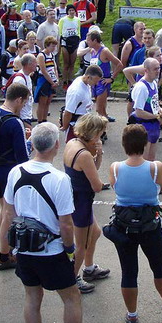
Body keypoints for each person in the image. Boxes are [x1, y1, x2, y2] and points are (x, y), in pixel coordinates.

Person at [2, 122, 83, 323]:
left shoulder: (15, 172)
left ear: (33, 144)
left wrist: (8, 247)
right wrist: (69, 249)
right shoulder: (60, 179)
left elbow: (8, 214)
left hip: (25, 247)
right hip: (52, 250)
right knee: (71, 296)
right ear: (56, 145)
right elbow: (66, 223)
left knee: (32, 297)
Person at [107, 124, 162, 323]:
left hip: (124, 227)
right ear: (144, 144)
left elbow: (115, 187)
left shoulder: (115, 168)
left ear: (124, 144)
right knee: (160, 267)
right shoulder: (155, 167)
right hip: (150, 226)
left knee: (128, 271)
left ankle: (132, 315)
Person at [0, 83, 31, 271]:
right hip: (9, 172)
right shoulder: (14, 122)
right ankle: (4, 254)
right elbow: (22, 157)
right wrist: (29, 142)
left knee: (4, 210)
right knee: (10, 214)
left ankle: (7, 249)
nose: (24, 106)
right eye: (24, 102)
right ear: (18, 99)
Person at [62, 113, 109, 294]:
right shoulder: (84, 155)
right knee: (81, 245)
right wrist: (98, 155)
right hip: (82, 202)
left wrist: (97, 154)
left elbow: (88, 173)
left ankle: (89, 268)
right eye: (100, 133)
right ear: (93, 133)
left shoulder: (72, 143)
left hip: (74, 198)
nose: (101, 137)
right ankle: (73, 279)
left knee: (95, 233)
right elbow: (96, 185)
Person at [130, 58, 162, 161]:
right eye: (155, 69)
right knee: (143, 160)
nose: (158, 71)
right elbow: (139, 112)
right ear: (146, 70)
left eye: (158, 68)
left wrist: (160, 110)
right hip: (144, 126)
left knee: (151, 159)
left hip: (154, 125)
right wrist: (156, 116)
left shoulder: (154, 83)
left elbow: (155, 103)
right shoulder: (142, 87)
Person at [61, 65, 103, 142]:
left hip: (84, 122)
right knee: (74, 148)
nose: (96, 84)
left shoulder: (85, 83)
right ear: (88, 77)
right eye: (95, 81)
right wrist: (65, 127)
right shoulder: (76, 91)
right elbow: (68, 112)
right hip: (75, 125)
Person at [87, 30, 122, 119]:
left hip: (102, 82)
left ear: (95, 41)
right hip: (94, 82)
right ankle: (105, 116)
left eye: (89, 40)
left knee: (98, 109)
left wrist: (112, 78)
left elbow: (119, 64)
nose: (87, 42)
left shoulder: (104, 51)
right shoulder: (93, 51)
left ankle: (102, 128)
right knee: (101, 107)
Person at [35, 36, 59, 123]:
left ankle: (45, 119)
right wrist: (52, 82)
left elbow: (55, 67)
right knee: (42, 102)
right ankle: (40, 121)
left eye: (55, 46)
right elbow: (43, 71)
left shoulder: (52, 55)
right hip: (44, 80)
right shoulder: (41, 55)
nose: (54, 48)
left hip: (52, 79)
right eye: (52, 46)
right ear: (47, 45)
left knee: (48, 101)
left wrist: (56, 80)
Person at [58, 4, 81, 90]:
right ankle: (64, 81)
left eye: (73, 10)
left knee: (72, 64)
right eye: (70, 10)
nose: (72, 12)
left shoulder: (77, 20)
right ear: (67, 12)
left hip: (74, 43)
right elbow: (59, 32)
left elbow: (78, 31)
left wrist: (78, 39)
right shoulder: (63, 20)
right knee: (66, 64)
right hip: (65, 43)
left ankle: (70, 81)